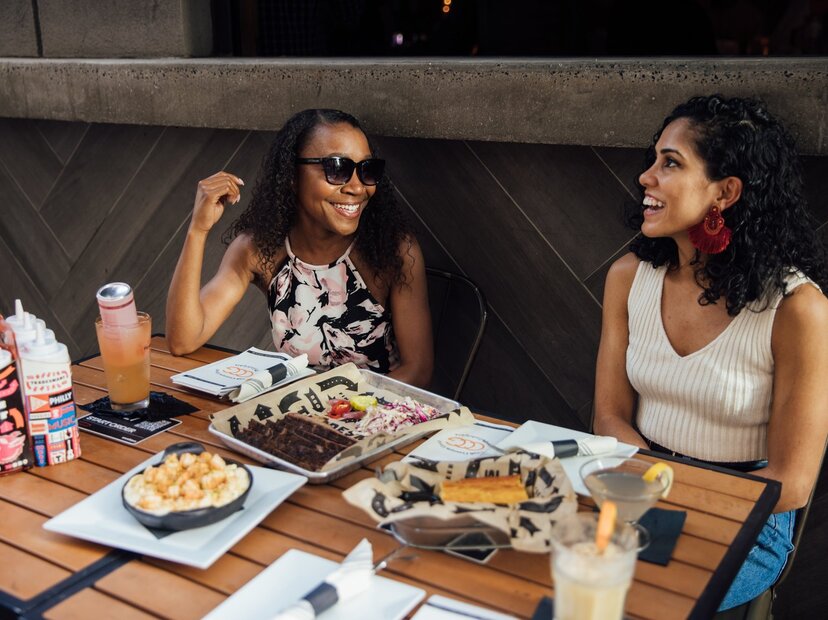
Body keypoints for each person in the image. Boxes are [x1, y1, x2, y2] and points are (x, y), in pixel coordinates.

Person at [593, 94, 828, 610]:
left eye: (670, 163)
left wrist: (675, 499)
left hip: (748, 516)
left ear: (725, 192)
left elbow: (791, 484)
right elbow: (609, 417)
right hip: (638, 489)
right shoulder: (628, 278)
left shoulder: (798, 308)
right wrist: (651, 495)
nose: (646, 177)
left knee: (632, 598)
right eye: (653, 160)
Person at [166, 109, 433, 388]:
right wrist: (198, 230)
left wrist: (332, 405)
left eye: (367, 170)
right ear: (292, 176)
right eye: (337, 169)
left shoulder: (393, 250)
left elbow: (418, 371)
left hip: (376, 408)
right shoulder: (258, 250)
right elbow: (183, 340)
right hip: (296, 406)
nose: (357, 187)